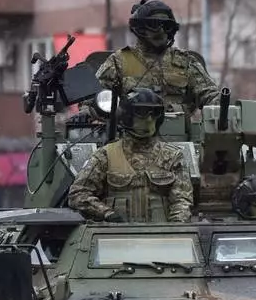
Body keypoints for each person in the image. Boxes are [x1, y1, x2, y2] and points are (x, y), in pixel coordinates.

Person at [67, 88, 193, 223]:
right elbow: (78, 194)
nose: (149, 119)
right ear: (127, 117)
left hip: (159, 233)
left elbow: (182, 201)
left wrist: (176, 228)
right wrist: (106, 213)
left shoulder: (172, 156)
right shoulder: (106, 155)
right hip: (116, 233)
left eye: (154, 113)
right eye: (141, 113)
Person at [95, 0, 220, 116]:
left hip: (179, 130)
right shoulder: (119, 62)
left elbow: (209, 95)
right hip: (133, 130)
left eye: (166, 26)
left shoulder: (185, 62)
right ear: (140, 28)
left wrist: (221, 106)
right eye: (154, 25)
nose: (161, 31)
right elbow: (96, 100)